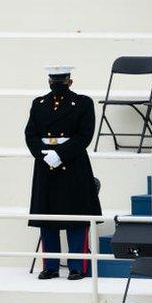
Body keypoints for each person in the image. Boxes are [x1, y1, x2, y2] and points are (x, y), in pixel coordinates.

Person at [25, 66, 102, 280]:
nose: (57, 84)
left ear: (70, 81)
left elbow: (84, 136)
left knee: (75, 216)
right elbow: (30, 134)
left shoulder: (83, 103)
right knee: (47, 216)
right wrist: (43, 156)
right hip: (45, 164)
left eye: (61, 79)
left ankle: (77, 265)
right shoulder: (38, 104)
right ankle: (50, 265)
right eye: (54, 79)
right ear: (49, 81)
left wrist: (60, 155)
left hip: (73, 163)